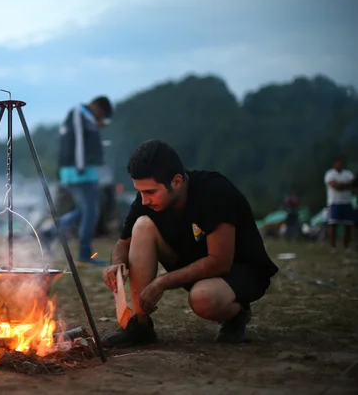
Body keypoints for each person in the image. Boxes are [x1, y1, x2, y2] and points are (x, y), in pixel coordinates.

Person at [101, 139, 279, 347]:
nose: (144, 200)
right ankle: (140, 325)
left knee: (202, 298)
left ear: (176, 182)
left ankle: (237, 315)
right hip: (192, 262)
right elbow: (123, 244)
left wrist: (162, 282)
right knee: (142, 225)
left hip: (240, 270)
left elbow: (219, 261)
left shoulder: (214, 191)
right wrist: (117, 264)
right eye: (140, 192)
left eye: (150, 192)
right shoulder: (147, 201)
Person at [38, 95, 113, 266]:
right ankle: (84, 254)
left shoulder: (85, 117)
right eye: (100, 115)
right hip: (80, 171)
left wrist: (95, 126)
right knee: (91, 211)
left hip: (81, 170)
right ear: (97, 107)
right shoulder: (79, 113)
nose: (99, 119)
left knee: (85, 210)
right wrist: (80, 166)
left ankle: (49, 233)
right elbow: (78, 141)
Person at [323, 156, 355, 252]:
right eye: (338, 163)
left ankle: (346, 246)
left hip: (347, 201)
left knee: (348, 225)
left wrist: (341, 185)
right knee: (333, 224)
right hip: (334, 202)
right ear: (334, 163)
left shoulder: (348, 173)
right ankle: (333, 246)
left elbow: (353, 183)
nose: (339, 165)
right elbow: (334, 186)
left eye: (341, 163)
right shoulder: (330, 174)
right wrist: (346, 184)